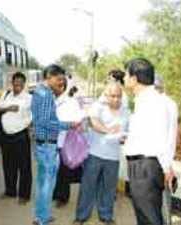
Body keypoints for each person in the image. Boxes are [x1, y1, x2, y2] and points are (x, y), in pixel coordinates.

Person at [124, 58, 175, 225]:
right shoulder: (144, 100)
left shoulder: (154, 102)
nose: (124, 78)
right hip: (141, 166)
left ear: (134, 78)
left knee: (150, 218)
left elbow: (162, 138)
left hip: (146, 166)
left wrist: (167, 167)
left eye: (126, 74)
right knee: (145, 217)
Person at [73, 83, 129, 225]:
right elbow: (95, 123)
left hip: (113, 156)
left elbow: (126, 132)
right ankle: (81, 216)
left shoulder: (126, 111)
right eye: (113, 96)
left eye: (119, 96)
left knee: (109, 188)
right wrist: (109, 130)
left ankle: (106, 216)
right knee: (88, 186)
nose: (116, 99)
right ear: (106, 95)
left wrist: (123, 137)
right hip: (94, 153)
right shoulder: (98, 106)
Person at [31, 64, 80, 225]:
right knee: (47, 183)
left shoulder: (38, 92)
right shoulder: (46, 95)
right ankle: (42, 218)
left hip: (42, 143)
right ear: (49, 77)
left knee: (42, 182)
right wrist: (68, 125)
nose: (60, 82)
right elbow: (45, 122)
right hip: (47, 145)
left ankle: (41, 215)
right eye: (58, 79)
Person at [0, 72, 33, 205]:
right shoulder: (6, 95)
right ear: (12, 82)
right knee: (8, 164)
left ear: (23, 84)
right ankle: (10, 191)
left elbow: (32, 116)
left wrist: (26, 124)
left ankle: (24, 195)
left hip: (20, 135)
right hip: (6, 135)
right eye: (15, 82)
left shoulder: (28, 98)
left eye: (20, 83)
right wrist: (8, 108)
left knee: (24, 166)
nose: (17, 85)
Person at [53, 75, 84, 208]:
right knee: (53, 169)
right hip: (51, 139)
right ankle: (55, 193)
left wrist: (68, 124)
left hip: (66, 140)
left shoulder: (71, 102)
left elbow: (78, 118)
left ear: (62, 86)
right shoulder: (50, 101)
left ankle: (63, 197)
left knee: (64, 170)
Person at [154, 74, 179, 225]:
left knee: (161, 203)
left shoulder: (164, 104)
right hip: (159, 161)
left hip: (160, 162)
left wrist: (166, 166)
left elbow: (167, 138)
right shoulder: (168, 103)